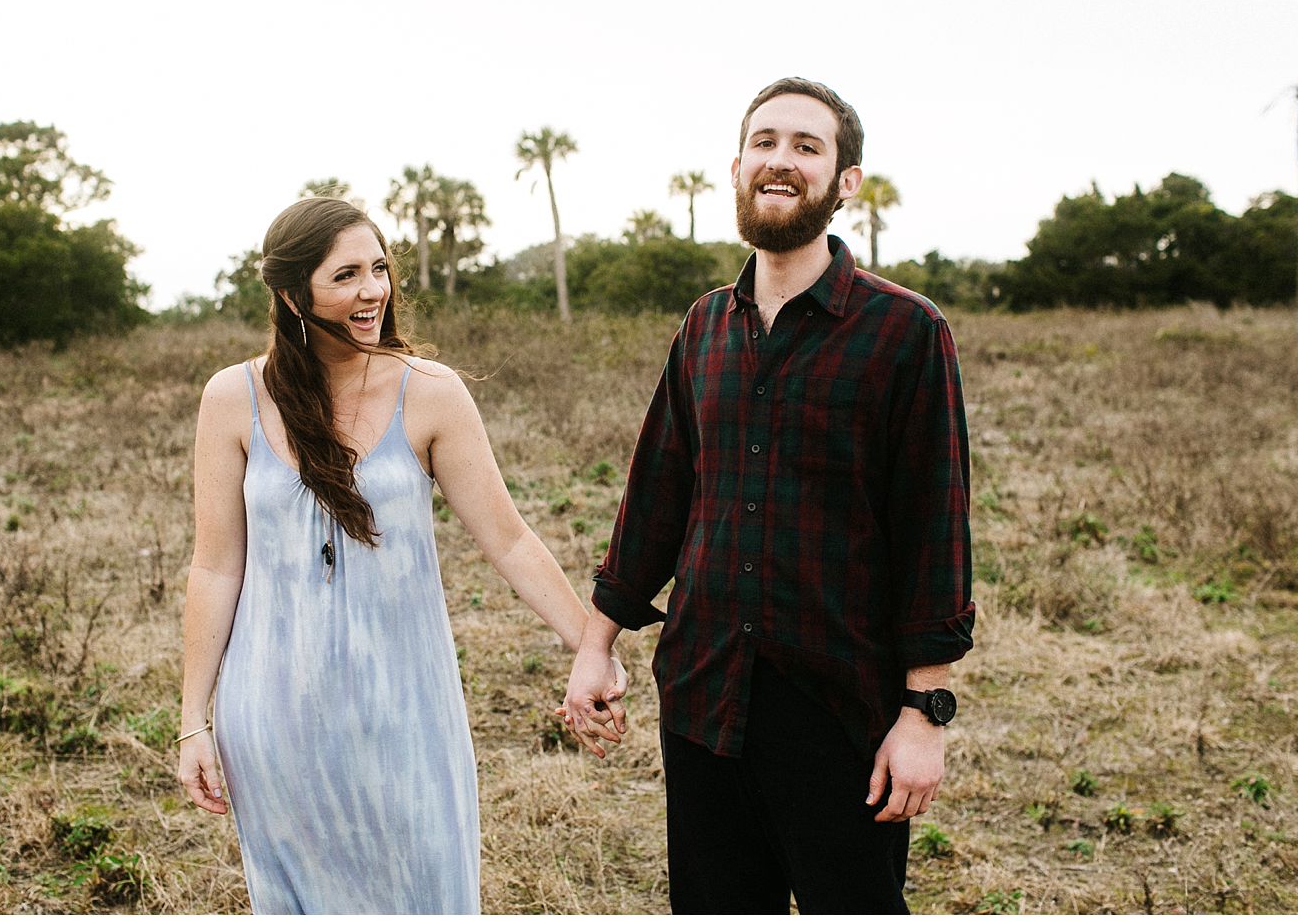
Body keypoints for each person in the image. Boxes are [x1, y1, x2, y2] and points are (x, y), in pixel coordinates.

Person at [562, 77, 975, 914]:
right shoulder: (704, 326)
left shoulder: (906, 332)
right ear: (738, 166)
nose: (779, 161)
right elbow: (657, 496)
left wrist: (924, 713)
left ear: (845, 181)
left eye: (806, 146)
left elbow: (935, 529)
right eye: (765, 142)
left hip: (840, 713)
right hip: (704, 698)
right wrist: (595, 643)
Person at [177, 197, 626, 914]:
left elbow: (508, 538)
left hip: (406, 714)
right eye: (347, 275)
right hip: (274, 715)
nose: (373, 291)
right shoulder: (232, 398)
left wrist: (590, 645)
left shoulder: (432, 393)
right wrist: (194, 721)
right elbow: (215, 566)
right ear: (294, 295)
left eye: (379, 269)